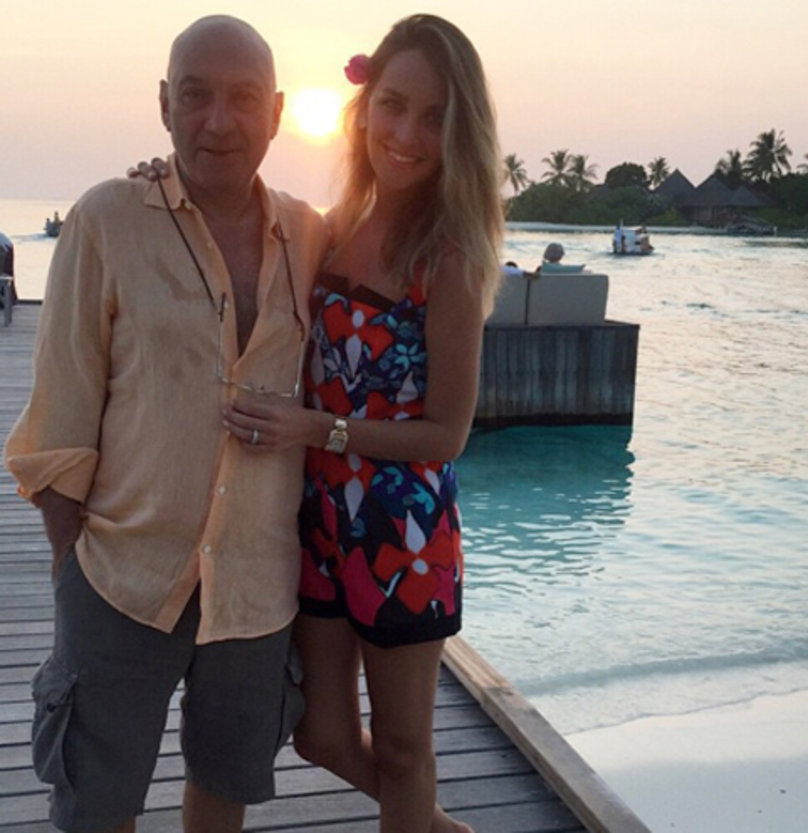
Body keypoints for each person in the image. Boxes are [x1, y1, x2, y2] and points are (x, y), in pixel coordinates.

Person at [4, 15, 327, 833]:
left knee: (222, 793)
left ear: (277, 111)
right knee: (97, 807)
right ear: (163, 105)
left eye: (243, 98)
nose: (219, 120)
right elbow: (60, 417)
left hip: (255, 588)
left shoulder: (311, 234)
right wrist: (72, 571)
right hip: (122, 578)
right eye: (195, 95)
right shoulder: (107, 219)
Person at [221, 14, 504, 833]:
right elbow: (233, 219)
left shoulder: (448, 257)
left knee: (407, 750)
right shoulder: (334, 226)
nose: (406, 134)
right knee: (321, 732)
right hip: (319, 521)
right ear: (364, 106)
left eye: (433, 117)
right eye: (394, 105)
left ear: (459, 133)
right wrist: (158, 180)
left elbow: (447, 435)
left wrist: (318, 429)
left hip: (402, 533)